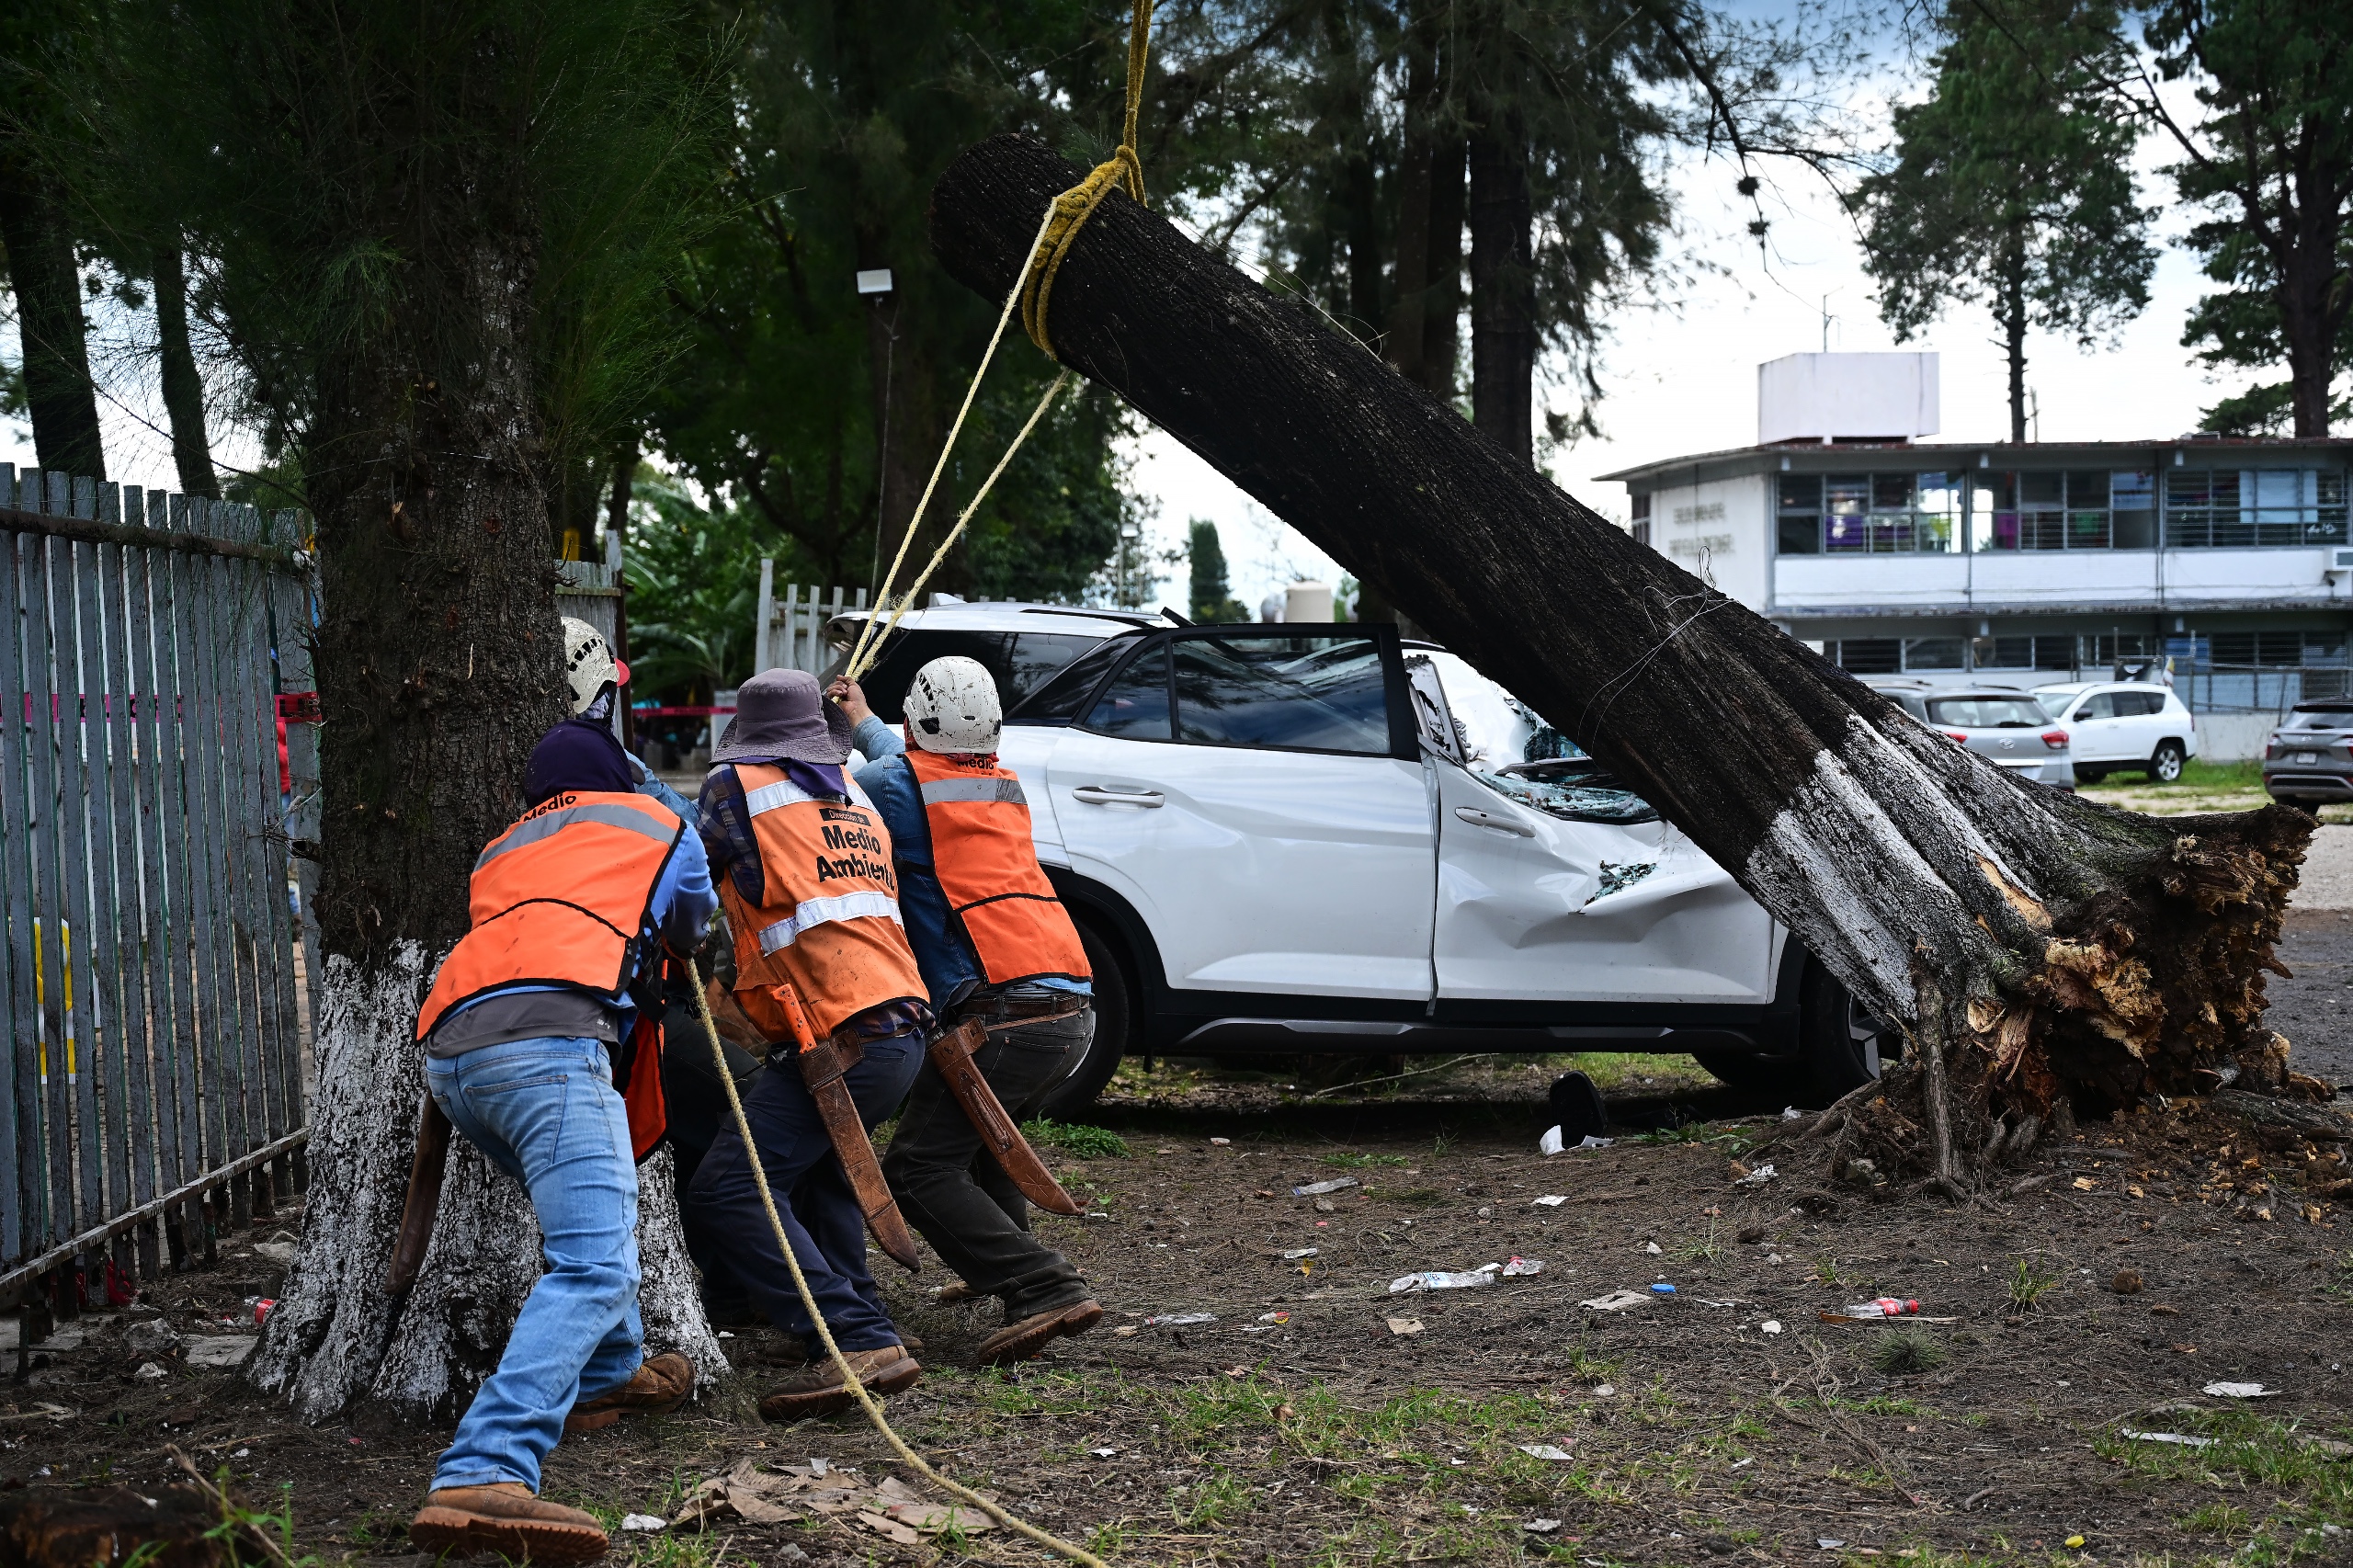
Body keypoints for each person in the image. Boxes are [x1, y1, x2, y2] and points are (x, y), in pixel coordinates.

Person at [406, 714, 717, 1564]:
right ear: (620, 775)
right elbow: (695, 922)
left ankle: (611, 1367)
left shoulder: (500, 848)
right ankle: (484, 1466)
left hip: (456, 1061)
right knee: (594, 1262)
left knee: (592, 1226)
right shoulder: (657, 822)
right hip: (552, 1045)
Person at [833, 659, 1105, 1365]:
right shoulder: (998, 784)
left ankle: (1040, 1284)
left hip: (1006, 1012)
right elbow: (907, 764)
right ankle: (1000, 1261)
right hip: (1069, 1005)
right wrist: (860, 719)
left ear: (917, 722)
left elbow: (835, 798)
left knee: (919, 1168)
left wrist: (817, 735)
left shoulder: (896, 787)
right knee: (977, 1143)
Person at [687, 668, 933, 1419]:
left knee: (730, 1189)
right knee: (820, 1176)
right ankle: (868, 1326)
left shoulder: (736, 788)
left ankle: (851, 1334)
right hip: (899, 1029)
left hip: (843, 1034)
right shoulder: (852, 794)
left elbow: (689, 880)